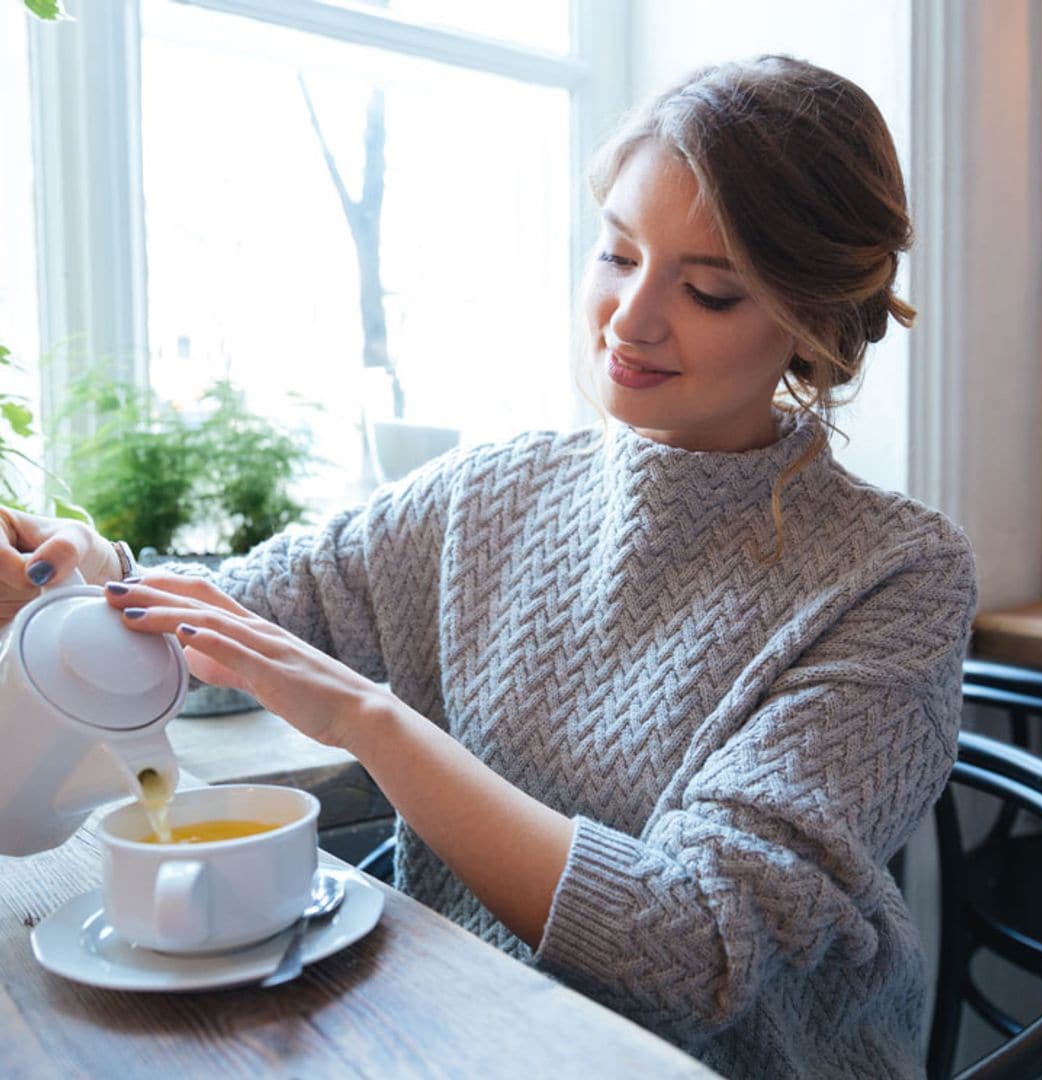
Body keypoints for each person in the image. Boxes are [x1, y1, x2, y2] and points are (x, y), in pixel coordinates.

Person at [0, 56, 976, 1080]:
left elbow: (695, 953)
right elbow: (241, 620)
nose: (631, 320)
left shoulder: (895, 576)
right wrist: (84, 580)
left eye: (709, 290)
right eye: (616, 253)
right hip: (466, 1039)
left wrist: (369, 721)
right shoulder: (492, 492)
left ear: (811, 322)